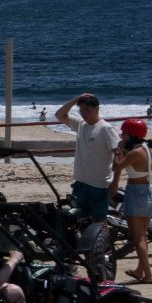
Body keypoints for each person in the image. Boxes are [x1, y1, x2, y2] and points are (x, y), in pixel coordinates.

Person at [54, 93, 119, 221]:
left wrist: (115, 182)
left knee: (99, 222)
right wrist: (75, 99)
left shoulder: (106, 129)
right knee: (78, 221)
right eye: (81, 111)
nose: (84, 114)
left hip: (99, 186)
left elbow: (118, 155)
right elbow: (59, 115)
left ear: (97, 109)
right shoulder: (80, 124)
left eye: (87, 110)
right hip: (80, 183)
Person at [114, 117, 152, 283]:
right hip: (148, 193)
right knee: (143, 236)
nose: (122, 136)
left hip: (136, 193)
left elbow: (116, 167)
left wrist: (118, 151)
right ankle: (140, 270)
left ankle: (148, 275)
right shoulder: (144, 148)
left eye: (124, 133)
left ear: (132, 134)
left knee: (138, 237)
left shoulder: (134, 152)